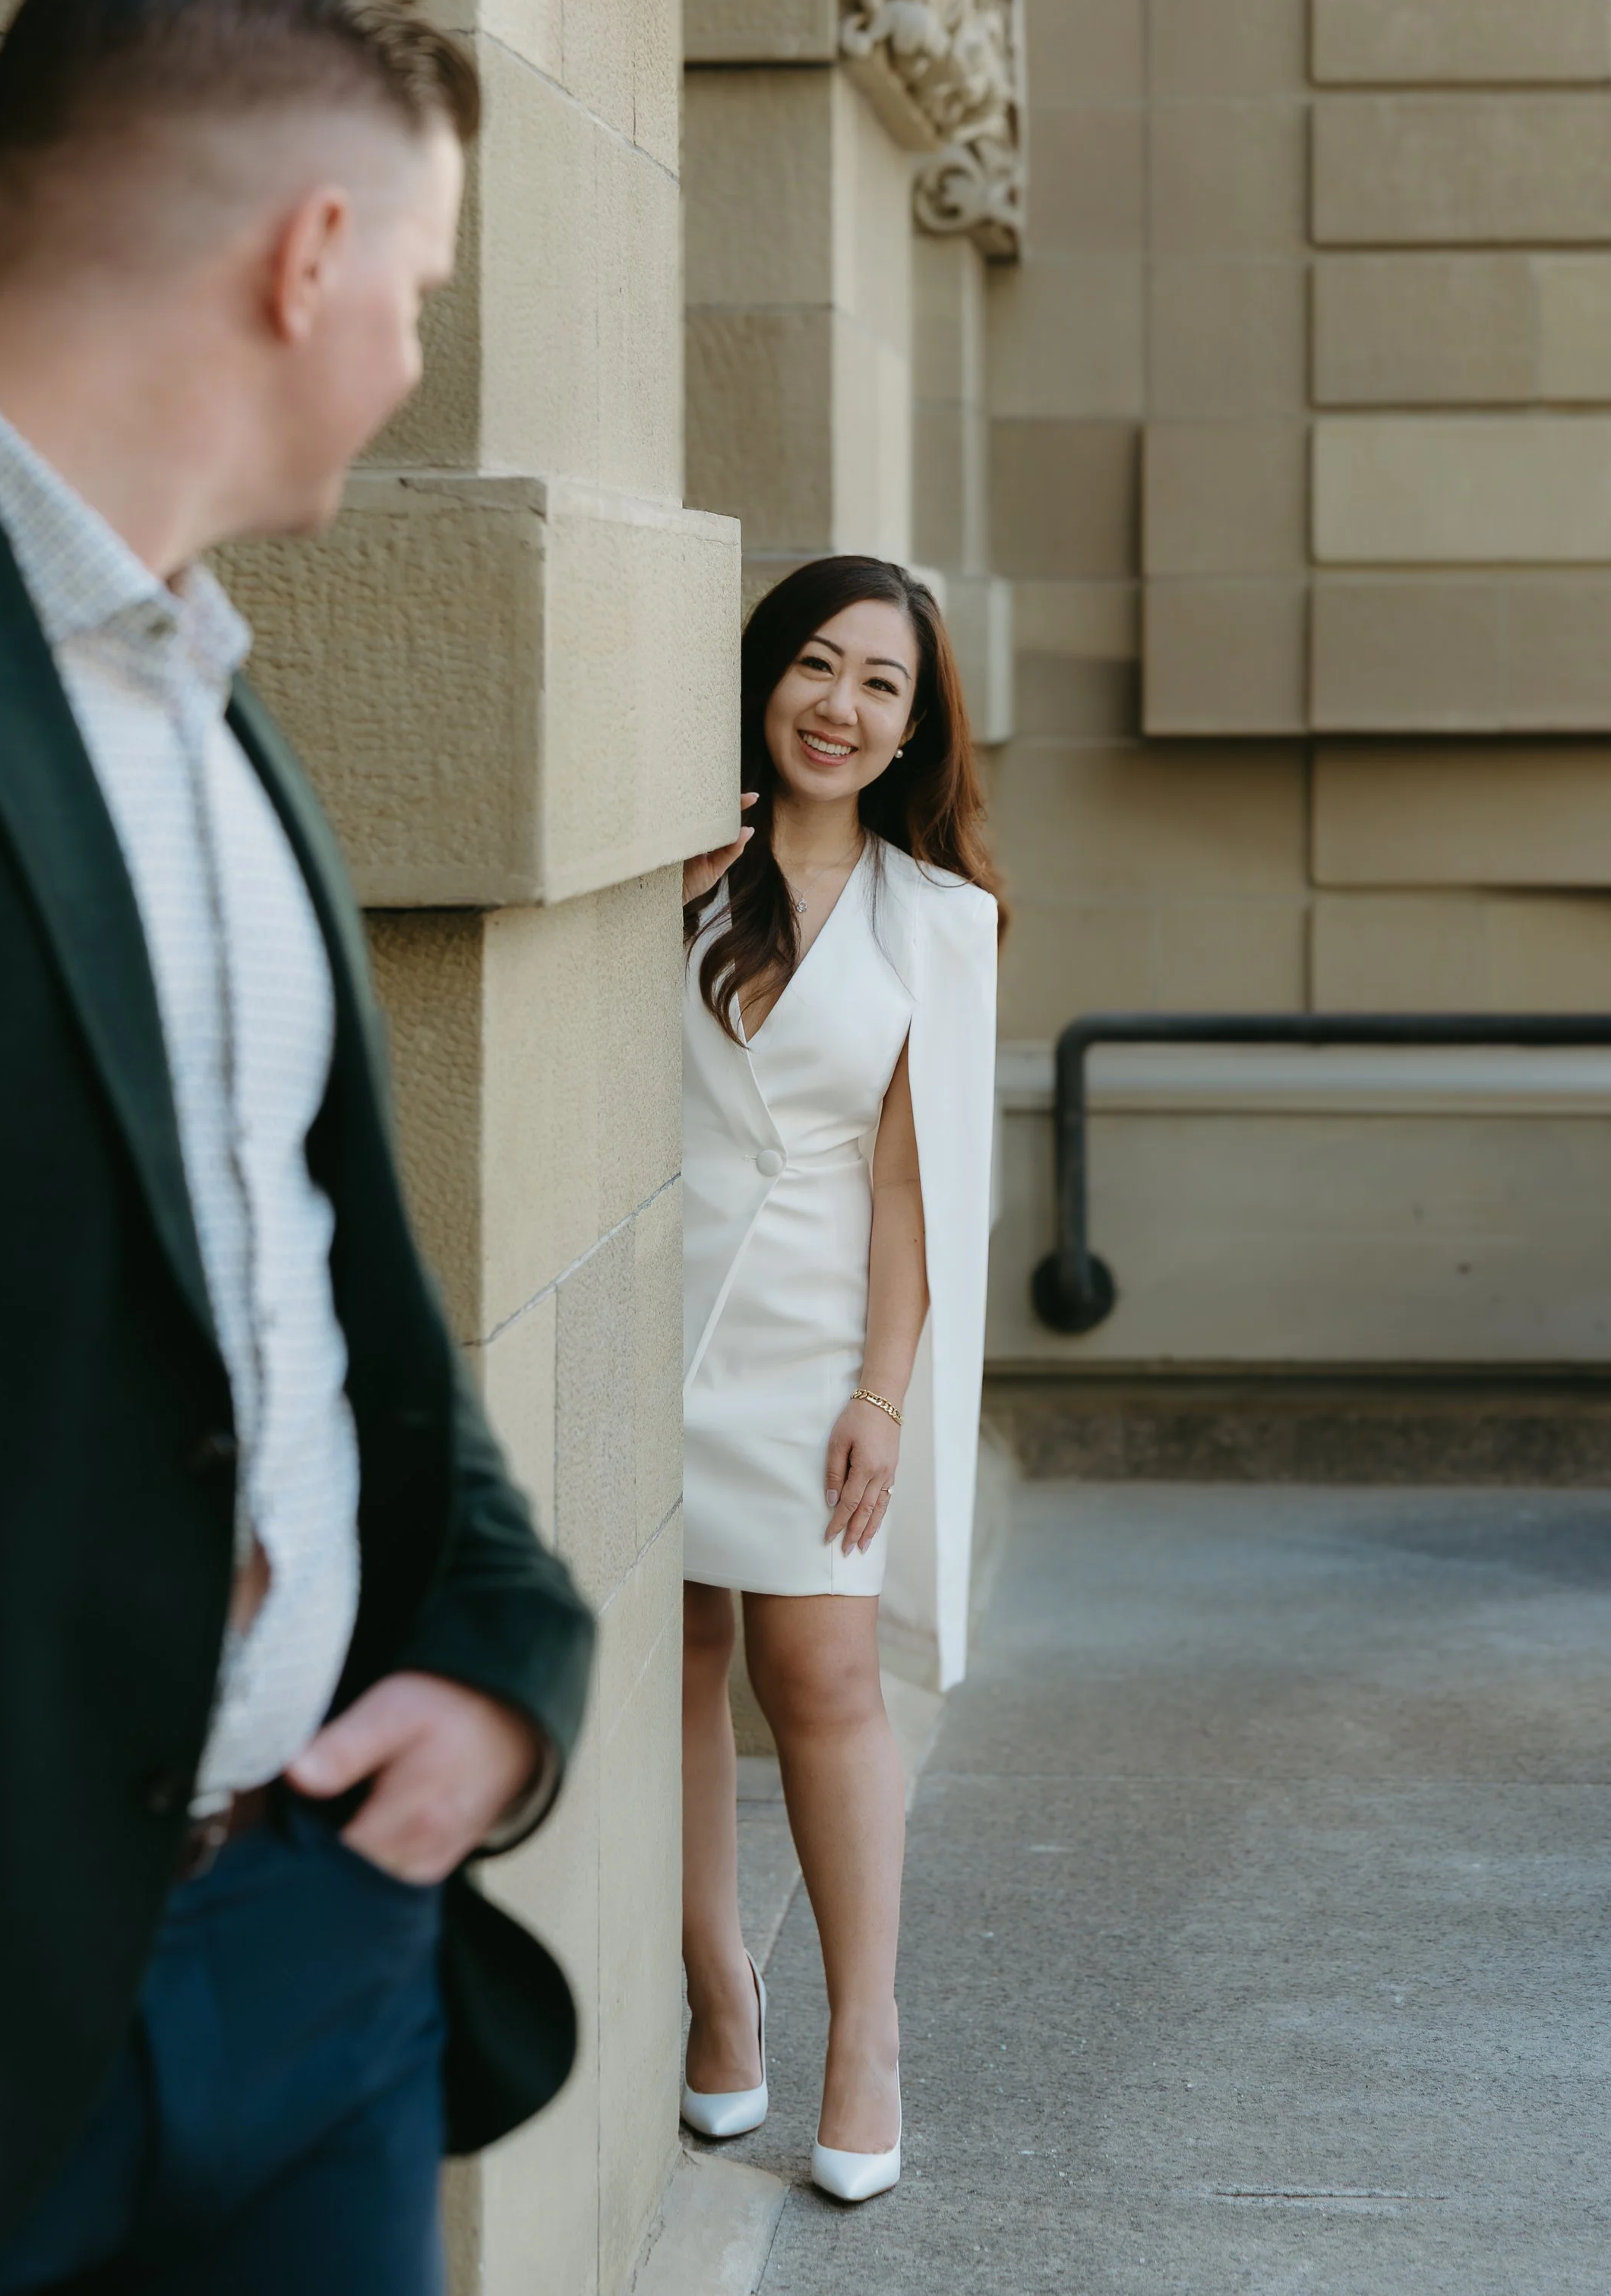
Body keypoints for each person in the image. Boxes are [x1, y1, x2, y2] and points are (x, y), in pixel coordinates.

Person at [0, 0, 595, 2296]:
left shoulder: (206, 697)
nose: (409, 356)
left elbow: (311, 1255)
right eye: (423, 288)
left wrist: (506, 1656)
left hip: (315, 1969)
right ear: (315, 254)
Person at [677, 557, 1001, 2205]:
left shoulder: (934, 922)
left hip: (817, 1339)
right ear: (764, 678)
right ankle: (714, 1979)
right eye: (815, 663)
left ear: (911, 726)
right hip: (648, 1321)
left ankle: (862, 2032)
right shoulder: (672, 868)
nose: (839, 703)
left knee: (821, 1676)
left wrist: (882, 1388)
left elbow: (909, 1180)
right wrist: (668, 885)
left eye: (880, 682)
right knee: (664, 1652)